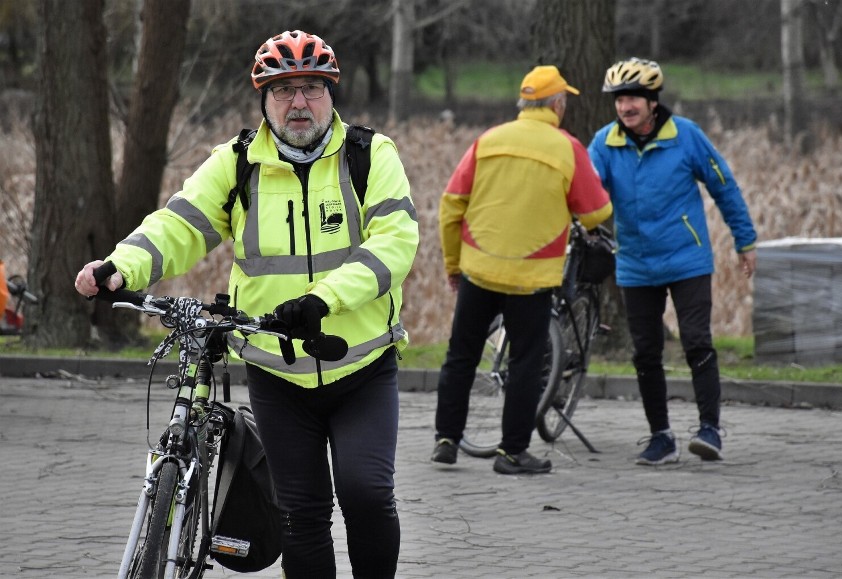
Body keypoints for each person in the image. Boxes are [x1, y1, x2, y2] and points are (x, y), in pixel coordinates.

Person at [74, 29, 418, 579]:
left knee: (367, 494)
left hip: (361, 366)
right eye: (283, 91)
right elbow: (179, 224)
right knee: (300, 514)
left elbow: (395, 243)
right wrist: (121, 266)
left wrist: (322, 300)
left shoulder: (369, 156)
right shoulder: (237, 164)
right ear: (264, 100)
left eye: (311, 88)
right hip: (276, 373)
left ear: (332, 95)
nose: (298, 102)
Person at [431, 65, 613, 475]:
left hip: (479, 270)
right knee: (527, 362)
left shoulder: (488, 141)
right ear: (558, 104)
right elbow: (598, 211)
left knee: (461, 355)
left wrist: (454, 264)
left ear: (523, 103)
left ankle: (446, 439)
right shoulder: (567, 148)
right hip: (532, 277)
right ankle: (512, 452)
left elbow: (451, 204)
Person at [588, 58, 757, 465]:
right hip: (635, 264)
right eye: (619, 100)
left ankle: (709, 430)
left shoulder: (686, 136)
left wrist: (745, 239)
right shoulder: (605, 143)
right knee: (645, 352)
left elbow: (724, 186)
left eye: (632, 99)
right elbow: (588, 194)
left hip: (686, 260)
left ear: (652, 101)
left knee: (697, 342)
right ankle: (660, 436)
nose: (625, 107)